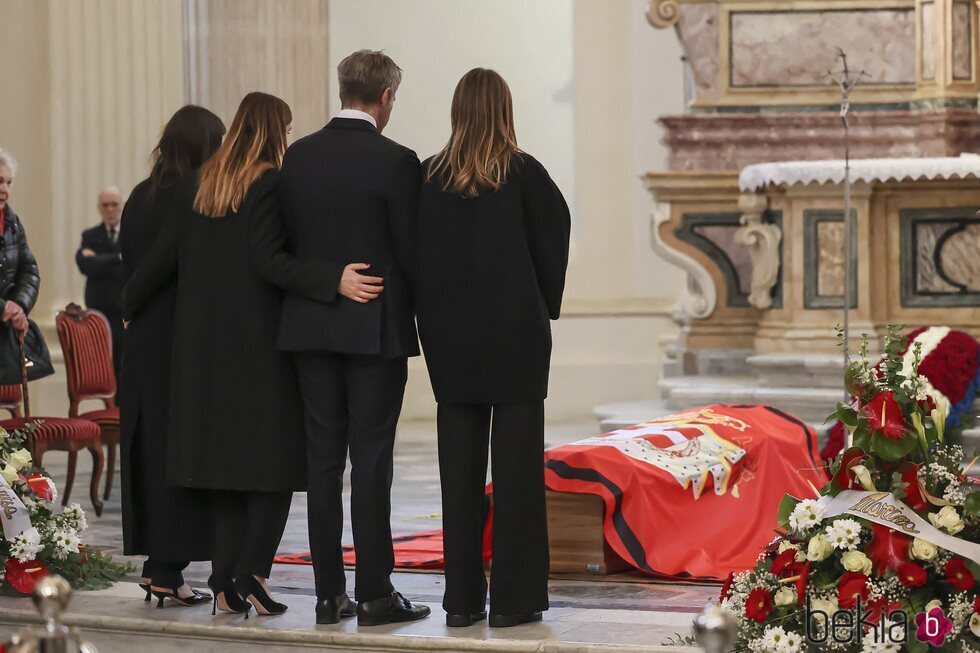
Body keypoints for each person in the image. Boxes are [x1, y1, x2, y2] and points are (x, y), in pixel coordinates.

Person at [123, 92, 338, 617]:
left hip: (199, 352)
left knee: (221, 469)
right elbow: (273, 261)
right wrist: (329, 279)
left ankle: (224, 583)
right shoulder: (269, 182)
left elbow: (160, 260)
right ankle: (246, 577)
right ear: (274, 133)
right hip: (259, 348)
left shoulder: (198, 185)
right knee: (276, 465)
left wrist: (127, 306)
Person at [277, 49, 429, 626]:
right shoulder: (397, 161)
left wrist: (325, 283)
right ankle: (374, 594)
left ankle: (326, 595)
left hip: (310, 328)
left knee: (322, 465)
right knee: (371, 462)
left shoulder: (299, 156)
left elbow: (285, 247)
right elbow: (412, 254)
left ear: (343, 89)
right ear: (386, 97)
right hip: (376, 332)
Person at [415, 68, 570, 628]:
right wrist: (541, 303)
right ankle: (514, 600)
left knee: (456, 477)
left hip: (450, 343)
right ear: (505, 108)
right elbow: (553, 243)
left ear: (457, 109)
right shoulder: (527, 174)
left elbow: (414, 259)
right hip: (516, 342)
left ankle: (459, 604)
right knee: (518, 477)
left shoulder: (427, 177)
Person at [118, 105, 225, 608]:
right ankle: (165, 570)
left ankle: (159, 565)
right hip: (176, 340)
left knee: (151, 453)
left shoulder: (141, 195)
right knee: (175, 455)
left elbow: (129, 263)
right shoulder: (189, 197)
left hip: (143, 342)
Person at [76, 186, 126, 377]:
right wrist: (118, 258)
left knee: (123, 365)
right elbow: (85, 265)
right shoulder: (90, 235)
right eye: (106, 205)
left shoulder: (129, 233)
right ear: (99, 207)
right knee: (103, 365)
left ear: (121, 206)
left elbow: (132, 264)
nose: (110, 210)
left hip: (122, 310)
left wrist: (99, 259)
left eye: (114, 205)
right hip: (100, 309)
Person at [0, 149, 39, 338]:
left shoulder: (12, 222)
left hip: (6, 328)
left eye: (9, 182)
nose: (5, 190)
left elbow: (29, 271)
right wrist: (3, 307)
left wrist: (19, 304)